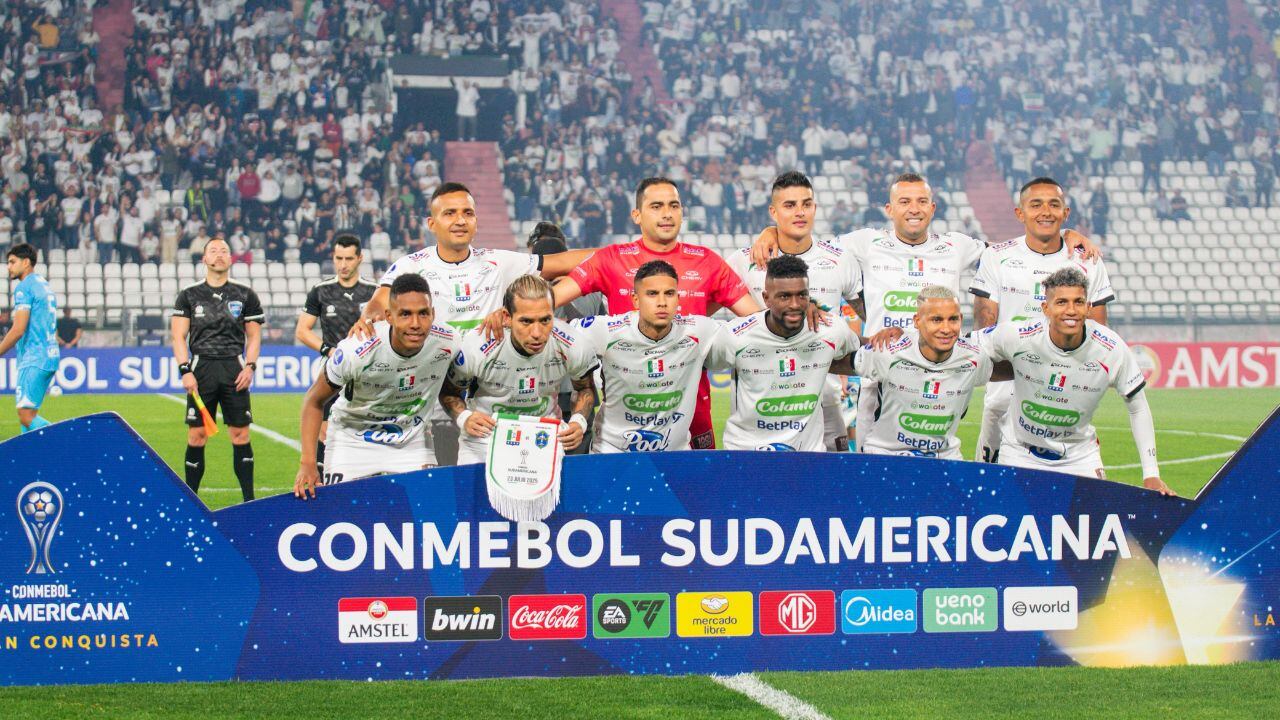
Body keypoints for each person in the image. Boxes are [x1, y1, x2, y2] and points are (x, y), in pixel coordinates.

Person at [750, 173, 1098, 451]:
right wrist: (769, 232)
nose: (913, 208)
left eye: (921, 201)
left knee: (937, 453)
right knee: (874, 457)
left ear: (933, 208)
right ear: (889, 209)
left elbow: (1015, 249)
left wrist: (1065, 232)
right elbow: (804, 241)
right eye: (904, 201)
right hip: (882, 373)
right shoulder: (864, 242)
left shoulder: (958, 245)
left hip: (941, 373)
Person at [352, 182, 591, 465]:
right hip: (434, 393)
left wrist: (629, 252)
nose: (460, 220)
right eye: (450, 213)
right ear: (432, 223)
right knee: (442, 483)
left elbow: (562, 261)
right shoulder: (410, 265)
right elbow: (379, 304)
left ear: (476, 221)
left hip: (483, 394)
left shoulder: (497, 262)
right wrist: (366, 319)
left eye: (467, 212)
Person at [555, 177, 760, 450]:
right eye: (656, 206)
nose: (667, 213)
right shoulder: (611, 258)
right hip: (626, 412)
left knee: (693, 491)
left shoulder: (707, 261)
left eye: (674, 206)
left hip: (692, 412)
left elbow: (759, 322)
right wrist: (510, 311)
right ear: (636, 215)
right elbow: (550, 301)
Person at [979, 268, 1173, 495]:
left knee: (1088, 528)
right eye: (1061, 302)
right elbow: (969, 348)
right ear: (1046, 308)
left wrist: (1151, 474)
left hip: (1080, 456)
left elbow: (1138, 406)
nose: (1070, 310)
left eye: (1078, 302)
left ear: (1088, 307)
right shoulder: (1019, 335)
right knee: (1015, 524)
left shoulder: (1111, 347)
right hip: (1020, 452)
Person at [970, 177, 1116, 464]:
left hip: (1064, 388)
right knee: (989, 481)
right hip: (1005, 389)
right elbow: (984, 332)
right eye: (1036, 205)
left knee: (1062, 480)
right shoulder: (996, 257)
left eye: (1054, 204)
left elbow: (1100, 334)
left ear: (1066, 213)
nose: (1045, 212)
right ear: (1020, 213)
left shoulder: (1088, 260)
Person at [726, 172, 864, 450]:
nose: (800, 212)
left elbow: (867, 315)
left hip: (822, 397)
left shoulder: (839, 260)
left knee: (830, 482)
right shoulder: (744, 261)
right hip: (759, 405)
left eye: (806, 204)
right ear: (773, 212)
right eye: (789, 205)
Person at [294, 274, 460, 498]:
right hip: (352, 440)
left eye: (423, 313)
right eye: (405, 314)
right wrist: (308, 463)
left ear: (433, 314)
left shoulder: (448, 343)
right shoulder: (356, 350)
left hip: (411, 442)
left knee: (427, 514)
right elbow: (314, 401)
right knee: (343, 515)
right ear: (389, 317)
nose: (415, 324)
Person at [439, 275, 598, 465]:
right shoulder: (477, 346)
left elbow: (585, 388)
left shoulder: (572, 344)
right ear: (507, 317)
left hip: (543, 435)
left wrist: (578, 421)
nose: (537, 333)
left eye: (545, 320)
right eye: (526, 322)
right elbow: (449, 393)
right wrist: (464, 417)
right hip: (484, 437)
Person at [572, 260, 727, 453]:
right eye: (652, 294)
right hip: (612, 454)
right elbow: (556, 336)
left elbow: (750, 338)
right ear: (635, 300)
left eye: (669, 294)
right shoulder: (606, 330)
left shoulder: (700, 330)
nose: (662, 302)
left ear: (678, 298)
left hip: (675, 456)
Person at [709, 256, 860, 451]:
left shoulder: (831, 330)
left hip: (808, 458)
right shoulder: (735, 336)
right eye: (784, 296)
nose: (795, 304)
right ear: (766, 298)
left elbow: (863, 353)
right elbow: (695, 361)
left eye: (802, 295)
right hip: (747, 456)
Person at [847, 286, 1009, 458]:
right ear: (917, 321)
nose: (946, 329)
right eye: (936, 320)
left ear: (961, 319)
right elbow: (833, 361)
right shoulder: (886, 352)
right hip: (885, 456)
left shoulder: (975, 358)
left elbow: (1015, 369)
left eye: (953, 319)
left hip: (944, 458)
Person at [170, 237, 265, 501]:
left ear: (231, 258)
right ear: (204, 259)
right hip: (201, 369)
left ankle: (249, 501)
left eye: (224, 250)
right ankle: (191, 500)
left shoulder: (245, 294)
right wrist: (184, 370)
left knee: (240, 434)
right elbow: (178, 336)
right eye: (213, 251)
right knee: (197, 435)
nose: (219, 255)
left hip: (234, 367)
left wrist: (250, 366)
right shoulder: (189, 295)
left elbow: (254, 336)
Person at [295, 233, 378, 475]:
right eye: (338, 258)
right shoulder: (321, 291)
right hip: (332, 368)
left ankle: (365, 476)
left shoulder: (374, 292)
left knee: (366, 426)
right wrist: (328, 350)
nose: (343, 264)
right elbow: (302, 330)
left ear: (359, 259)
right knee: (324, 429)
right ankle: (322, 479)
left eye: (349, 259)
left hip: (367, 370)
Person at [0, 244, 59, 432]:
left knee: (25, 416)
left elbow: (18, 330)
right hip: (49, 355)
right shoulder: (42, 283)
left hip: (34, 357)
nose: (8, 266)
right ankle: (31, 460)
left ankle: (65, 444)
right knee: (28, 416)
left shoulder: (23, 288)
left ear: (26, 263)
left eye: (12, 262)